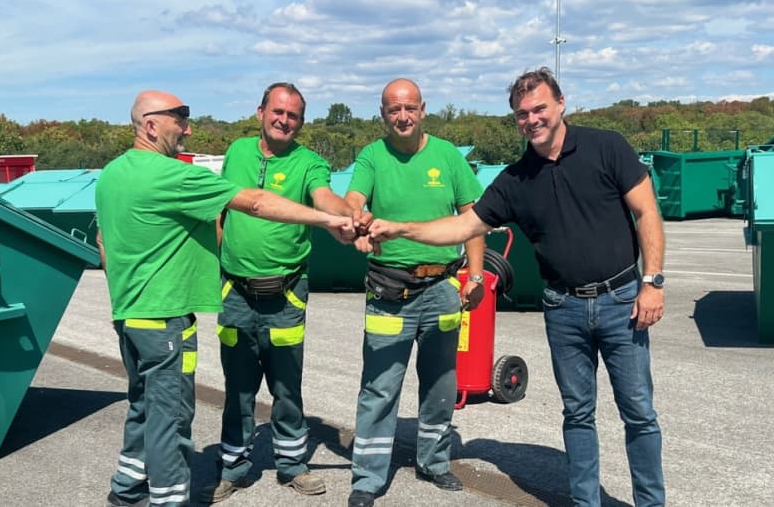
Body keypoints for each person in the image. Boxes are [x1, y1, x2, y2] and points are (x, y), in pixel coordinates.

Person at [369, 67, 666, 507]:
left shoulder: (607, 147)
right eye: (522, 114)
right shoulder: (515, 180)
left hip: (622, 300)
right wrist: (399, 229)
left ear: (560, 104)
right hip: (563, 308)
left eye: (539, 108)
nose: (531, 119)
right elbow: (463, 226)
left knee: (638, 412)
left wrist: (652, 281)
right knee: (578, 414)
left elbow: (647, 212)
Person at [95, 90, 354, 507]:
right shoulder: (174, 174)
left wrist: (122, 303)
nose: (188, 130)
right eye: (180, 120)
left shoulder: (111, 174)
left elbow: (103, 241)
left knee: (143, 405)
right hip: (166, 320)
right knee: (170, 417)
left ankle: (126, 487)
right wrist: (328, 221)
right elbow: (255, 202)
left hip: (131, 316)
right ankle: (170, 498)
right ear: (151, 125)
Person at [199, 82, 367, 504]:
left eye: (293, 115)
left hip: (286, 295)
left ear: (301, 122)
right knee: (238, 387)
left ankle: (292, 464)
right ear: (260, 112)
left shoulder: (309, 162)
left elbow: (324, 197)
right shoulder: (237, 152)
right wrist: (217, 265)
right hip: (235, 292)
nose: (283, 120)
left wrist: (350, 215)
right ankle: (234, 468)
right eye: (277, 111)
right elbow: (222, 209)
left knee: (286, 386)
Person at [343, 78, 486, 507]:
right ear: (383, 114)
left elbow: (473, 218)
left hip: (442, 287)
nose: (402, 116)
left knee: (441, 383)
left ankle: (435, 462)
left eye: (409, 108)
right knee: (380, 386)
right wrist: (356, 218)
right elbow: (354, 198)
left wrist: (475, 276)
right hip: (389, 291)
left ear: (423, 109)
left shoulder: (448, 156)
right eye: (394, 109)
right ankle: (367, 478)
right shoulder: (372, 156)